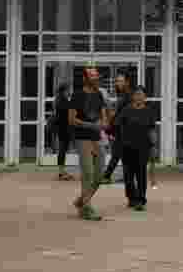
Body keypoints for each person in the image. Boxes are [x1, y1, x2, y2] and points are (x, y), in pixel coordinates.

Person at [69, 67, 109, 221]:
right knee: (88, 173)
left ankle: (81, 201)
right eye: (92, 76)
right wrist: (91, 125)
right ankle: (86, 208)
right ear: (85, 78)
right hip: (82, 138)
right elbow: (71, 119)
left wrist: (104, 123)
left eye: (97, 75)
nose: (96, 78)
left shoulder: (99, 94)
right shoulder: (77, 95)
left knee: (99, 176)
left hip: (97, 137)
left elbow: (103, 116)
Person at [115, 85, 157, 209]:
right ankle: (131, 198)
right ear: (133, 97)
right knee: (128, 175)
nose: (139, 97)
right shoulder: (126, 110)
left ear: (145, 97)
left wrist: (154, 146)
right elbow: (118, 125)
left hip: (143, 147)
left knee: (141, 174)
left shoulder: (149, 111)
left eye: (141, 95)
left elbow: (152, 130)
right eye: (137, 94)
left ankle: (141, 199)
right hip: (127, 147)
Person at [102, 73, 134, 199]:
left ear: (127, 82)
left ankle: (108, 176)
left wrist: (113, 122)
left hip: (125, 130)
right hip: (120, 129)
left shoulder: (128, 96)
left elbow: (124, 113)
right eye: (117, 81)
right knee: (118, 154)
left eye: (121, 81)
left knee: (118, 153)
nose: (118, 83)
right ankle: (112, 176)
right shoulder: (123, 95)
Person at [54, 83, 73, 180]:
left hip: (62, 128)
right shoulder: (62, 101)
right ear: (64, 91)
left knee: (63, 150)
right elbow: (66, 114)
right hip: (64, 129)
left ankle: (62, 171)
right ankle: (61, 172)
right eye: (68, 90)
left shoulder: (60, 100)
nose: (70, 91)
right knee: (62, 150)